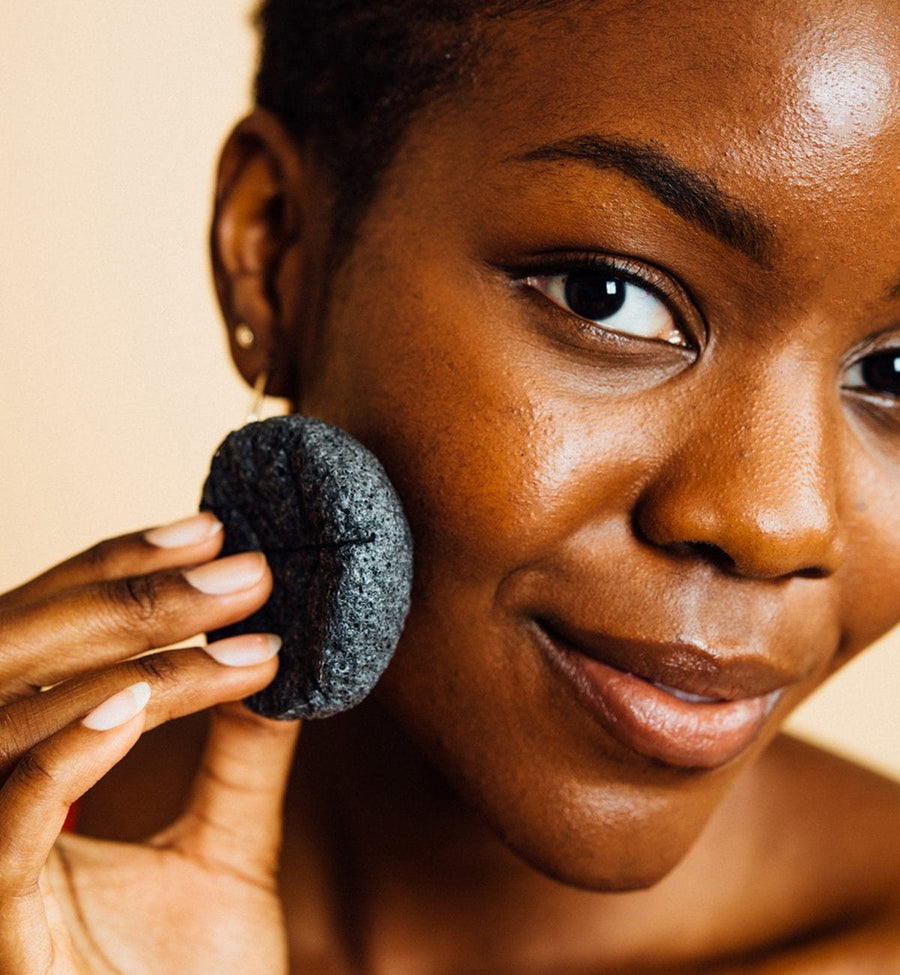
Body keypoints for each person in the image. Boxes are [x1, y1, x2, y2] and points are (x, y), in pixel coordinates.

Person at [2, 0, 899, 970]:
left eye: (894, 373)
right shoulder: (39, 869)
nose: (779, 521)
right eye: (607, 295)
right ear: (277, 249)